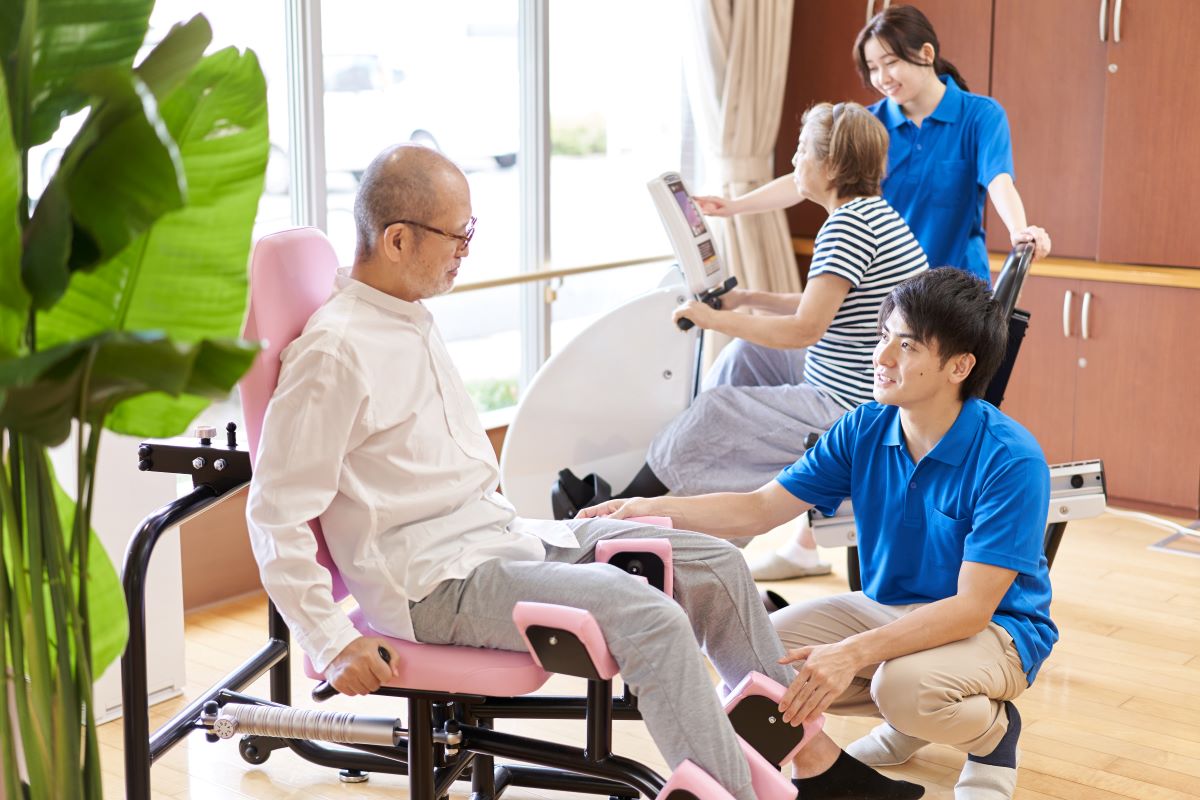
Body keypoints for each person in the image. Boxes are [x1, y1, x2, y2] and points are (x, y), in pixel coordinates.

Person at [245, 143, 924, 800]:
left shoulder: (407, 316)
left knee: (716, 564)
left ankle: (813, 760)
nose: (465, 250)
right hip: (435, 582)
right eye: (457, 236)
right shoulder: (336, 352)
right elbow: (274, 512)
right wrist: (331, 640)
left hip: (499, 538)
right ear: (397, 240)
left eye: (469, 232)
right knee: (648, 615)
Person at [581, 268, 1057, 800]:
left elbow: (970, 609)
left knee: (904, 687)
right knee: (753, 656)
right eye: (884, 337)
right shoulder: (864, 427)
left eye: (907, 346)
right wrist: (648, 507)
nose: (882, 357)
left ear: (959, 367)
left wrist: (850, 653)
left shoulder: (1010, 459)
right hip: (890, 608)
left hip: (998, 629)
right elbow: (759, 508)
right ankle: (863, 749)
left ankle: (992, 735)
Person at [691, 4, 1052, 579]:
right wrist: (733, 206)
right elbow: (808, 174)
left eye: (890, 63)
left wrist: (1020, 229)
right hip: (885, 296)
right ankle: (757, 532)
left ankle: (805, 539)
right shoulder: (873, 123)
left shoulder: (977, 116)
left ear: (925, 54)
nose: (882, 78)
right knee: (756, 365)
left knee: (890, 415)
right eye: (872, 68)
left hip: (945, 301)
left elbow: (999, 179)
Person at [554, 102, 928, 584]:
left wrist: (713, 318)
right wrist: (746, 300)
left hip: (852, 405)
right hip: (853, 378)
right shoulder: (873, 215)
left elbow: (805, 329)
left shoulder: (847, 227)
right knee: (746, 357)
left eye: (801, 151)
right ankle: (713, 529)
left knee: (716, 413)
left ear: (832, 166)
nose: (794, 161)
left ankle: (618, 514)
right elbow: (824, 303)